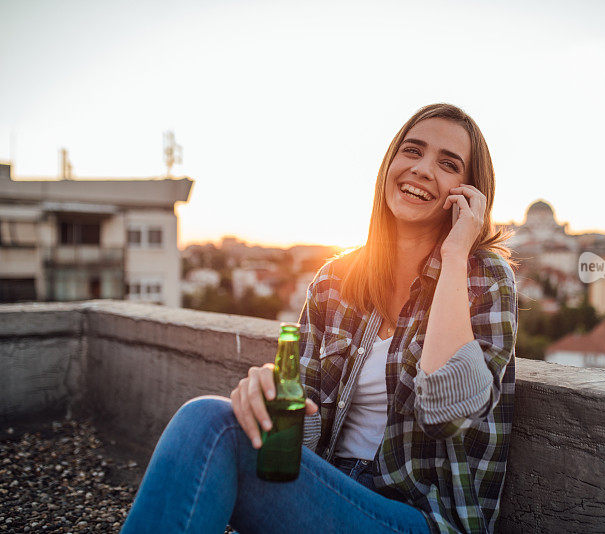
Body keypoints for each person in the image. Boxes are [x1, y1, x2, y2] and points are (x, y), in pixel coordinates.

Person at [121, 103, 519, 534]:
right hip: (328, 492)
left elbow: (447, 415)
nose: (422, 169)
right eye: (412, 150)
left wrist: (456, 251)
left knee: (208, 426)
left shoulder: (483, 278)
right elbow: (304, 435)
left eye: (448, 164)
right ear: (390, 163)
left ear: (470, 193)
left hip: (420, 519)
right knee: (216, 421)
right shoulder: (336, 279)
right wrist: (272, 400)